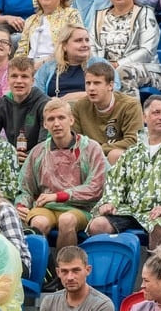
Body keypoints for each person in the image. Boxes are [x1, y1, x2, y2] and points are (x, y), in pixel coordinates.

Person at [88, 95, 161, 249]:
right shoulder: (133, 151)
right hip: (130, 211)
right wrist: (110, 202)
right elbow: (115, 182)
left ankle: (158, 265)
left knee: (158, 226)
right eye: (156, 112)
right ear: (145, 118)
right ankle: (110, 265)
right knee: (98, 225)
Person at [17, 99, 106, 250]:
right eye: (51, 119)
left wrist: (58, 196)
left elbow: (95, 187)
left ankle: (65, 263)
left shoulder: (90, 148)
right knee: (38, 222)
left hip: (80, 209)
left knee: (67, 220)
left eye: (61, 118)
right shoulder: (38, 152)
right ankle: (43, 265)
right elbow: (25, 188)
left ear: (71, 120)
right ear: (45, 124)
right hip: (46, 208)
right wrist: (21, 206)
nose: (56, 123)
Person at [89, 0, 161, 95]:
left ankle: (128, 108)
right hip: (105, 70)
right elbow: (92, 46)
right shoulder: (99, 16)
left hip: (146, 70)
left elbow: (147, 51)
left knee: (122, 72)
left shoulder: (145, 14)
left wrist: (118, 64)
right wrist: (100, 65)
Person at [72, 62, 144, 165]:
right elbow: (76, 140)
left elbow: (133, 140)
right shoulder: (80, 106)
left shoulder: (130, 105)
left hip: (120, 160)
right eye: (88, 83)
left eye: (97, 83)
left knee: (115, 154)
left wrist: (98, 149)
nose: (91, 88)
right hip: (89, 159)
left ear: (110, 85)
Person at [15, 0, 82, 67]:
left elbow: (74, 46)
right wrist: (18, 66)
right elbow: (21, 50)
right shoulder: (31, 20)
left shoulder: (71, 14)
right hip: (29, 67)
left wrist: (42, 64)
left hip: (57, 66)